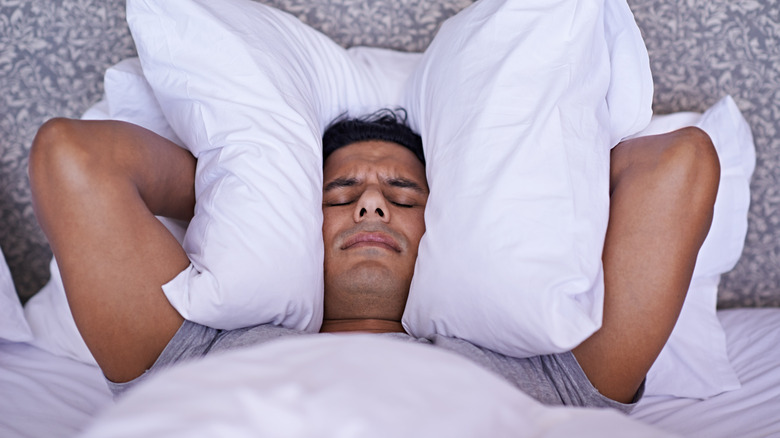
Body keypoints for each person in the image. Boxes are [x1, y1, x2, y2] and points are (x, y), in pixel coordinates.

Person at [28, 109, 719, 412]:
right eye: (338, 193)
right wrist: (234, 189)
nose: (370, 206)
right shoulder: (196, 352)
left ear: (445, 227)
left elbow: (677, 162)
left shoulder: (549, 377)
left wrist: (510, 196)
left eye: (403, 194)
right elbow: (73, 157)